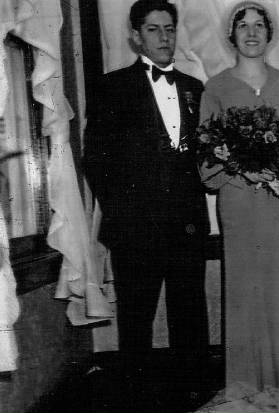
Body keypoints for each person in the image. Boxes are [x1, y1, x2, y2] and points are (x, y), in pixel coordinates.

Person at [83, 0, 209, 381]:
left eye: (169, 28)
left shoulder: (195, 88)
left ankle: (193, 392)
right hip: (136, 228)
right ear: (136, 37)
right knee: (136, 320)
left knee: (189, 314)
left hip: (186, 224)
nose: (164, 37)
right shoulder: (111, 87)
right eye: (153, 29)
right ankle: (136, 395)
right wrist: (125, 214)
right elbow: (96, 161)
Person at [199, 2, 279, 392]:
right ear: (232, 35)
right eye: (243, 26)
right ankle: (248, 385)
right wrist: (242, 167)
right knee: (245, 293)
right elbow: (207, 161)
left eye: (260, 25)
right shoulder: (217, 88)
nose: (252, 32)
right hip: (239, 204)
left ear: (270, 34)